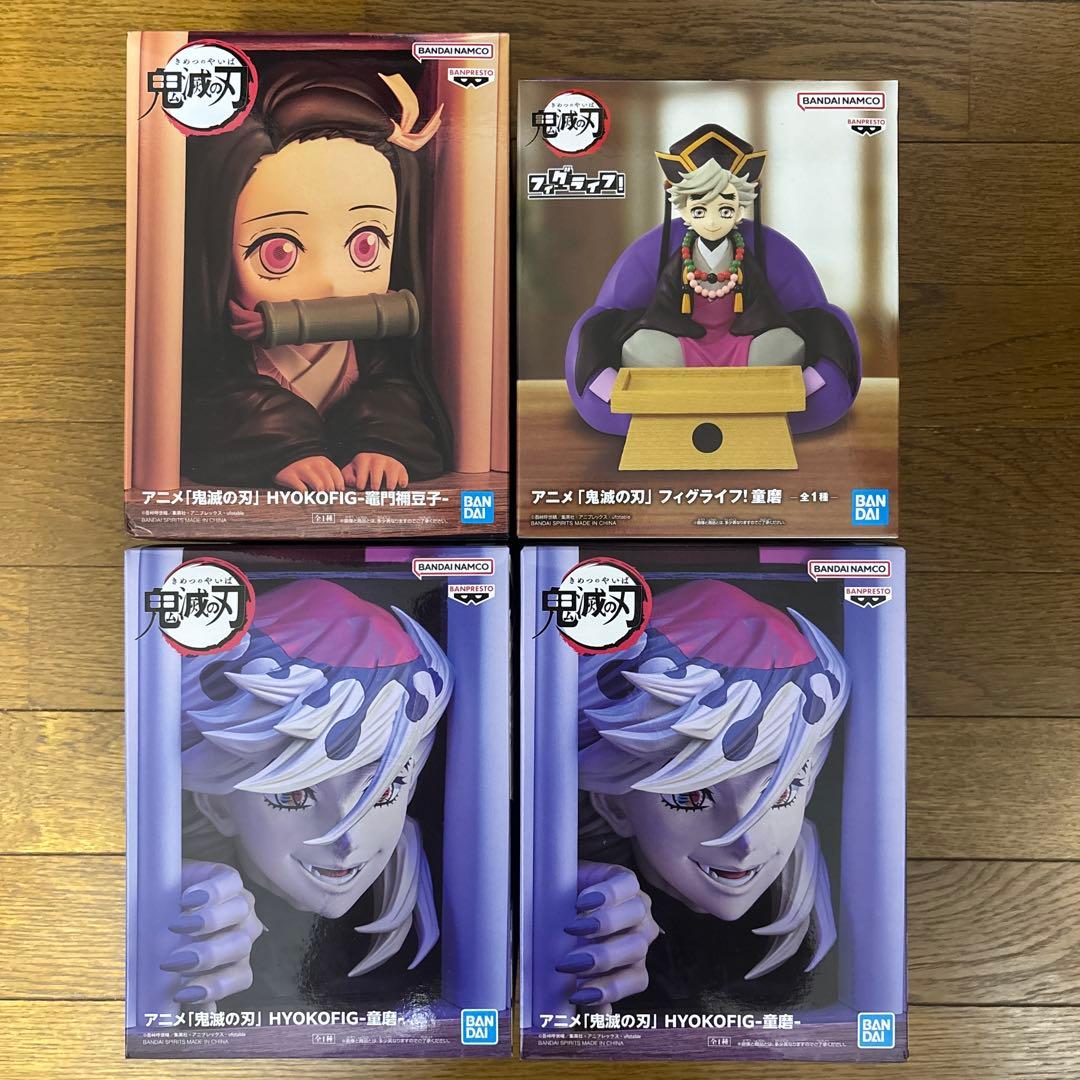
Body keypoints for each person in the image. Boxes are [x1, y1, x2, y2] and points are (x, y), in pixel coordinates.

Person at [556, 579, 849, 1011]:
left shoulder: (824, 909)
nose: (745, 840)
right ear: (613, 803)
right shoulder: (577, 896)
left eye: (783, 789)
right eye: (692, 797)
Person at [160, 578, 451, 1010]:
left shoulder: (465, 880)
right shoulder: (182, 894)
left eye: (385, 788)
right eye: (293, 796)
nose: (346, 839)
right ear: (215, 802)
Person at [181, 61, 452, 492]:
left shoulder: (370, 352)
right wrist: (284, 447)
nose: (330, 282)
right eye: (278, 253)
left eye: (366, 245)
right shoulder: (230, 362)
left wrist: (384, 442)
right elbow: (214, 408)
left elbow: (394, 394)